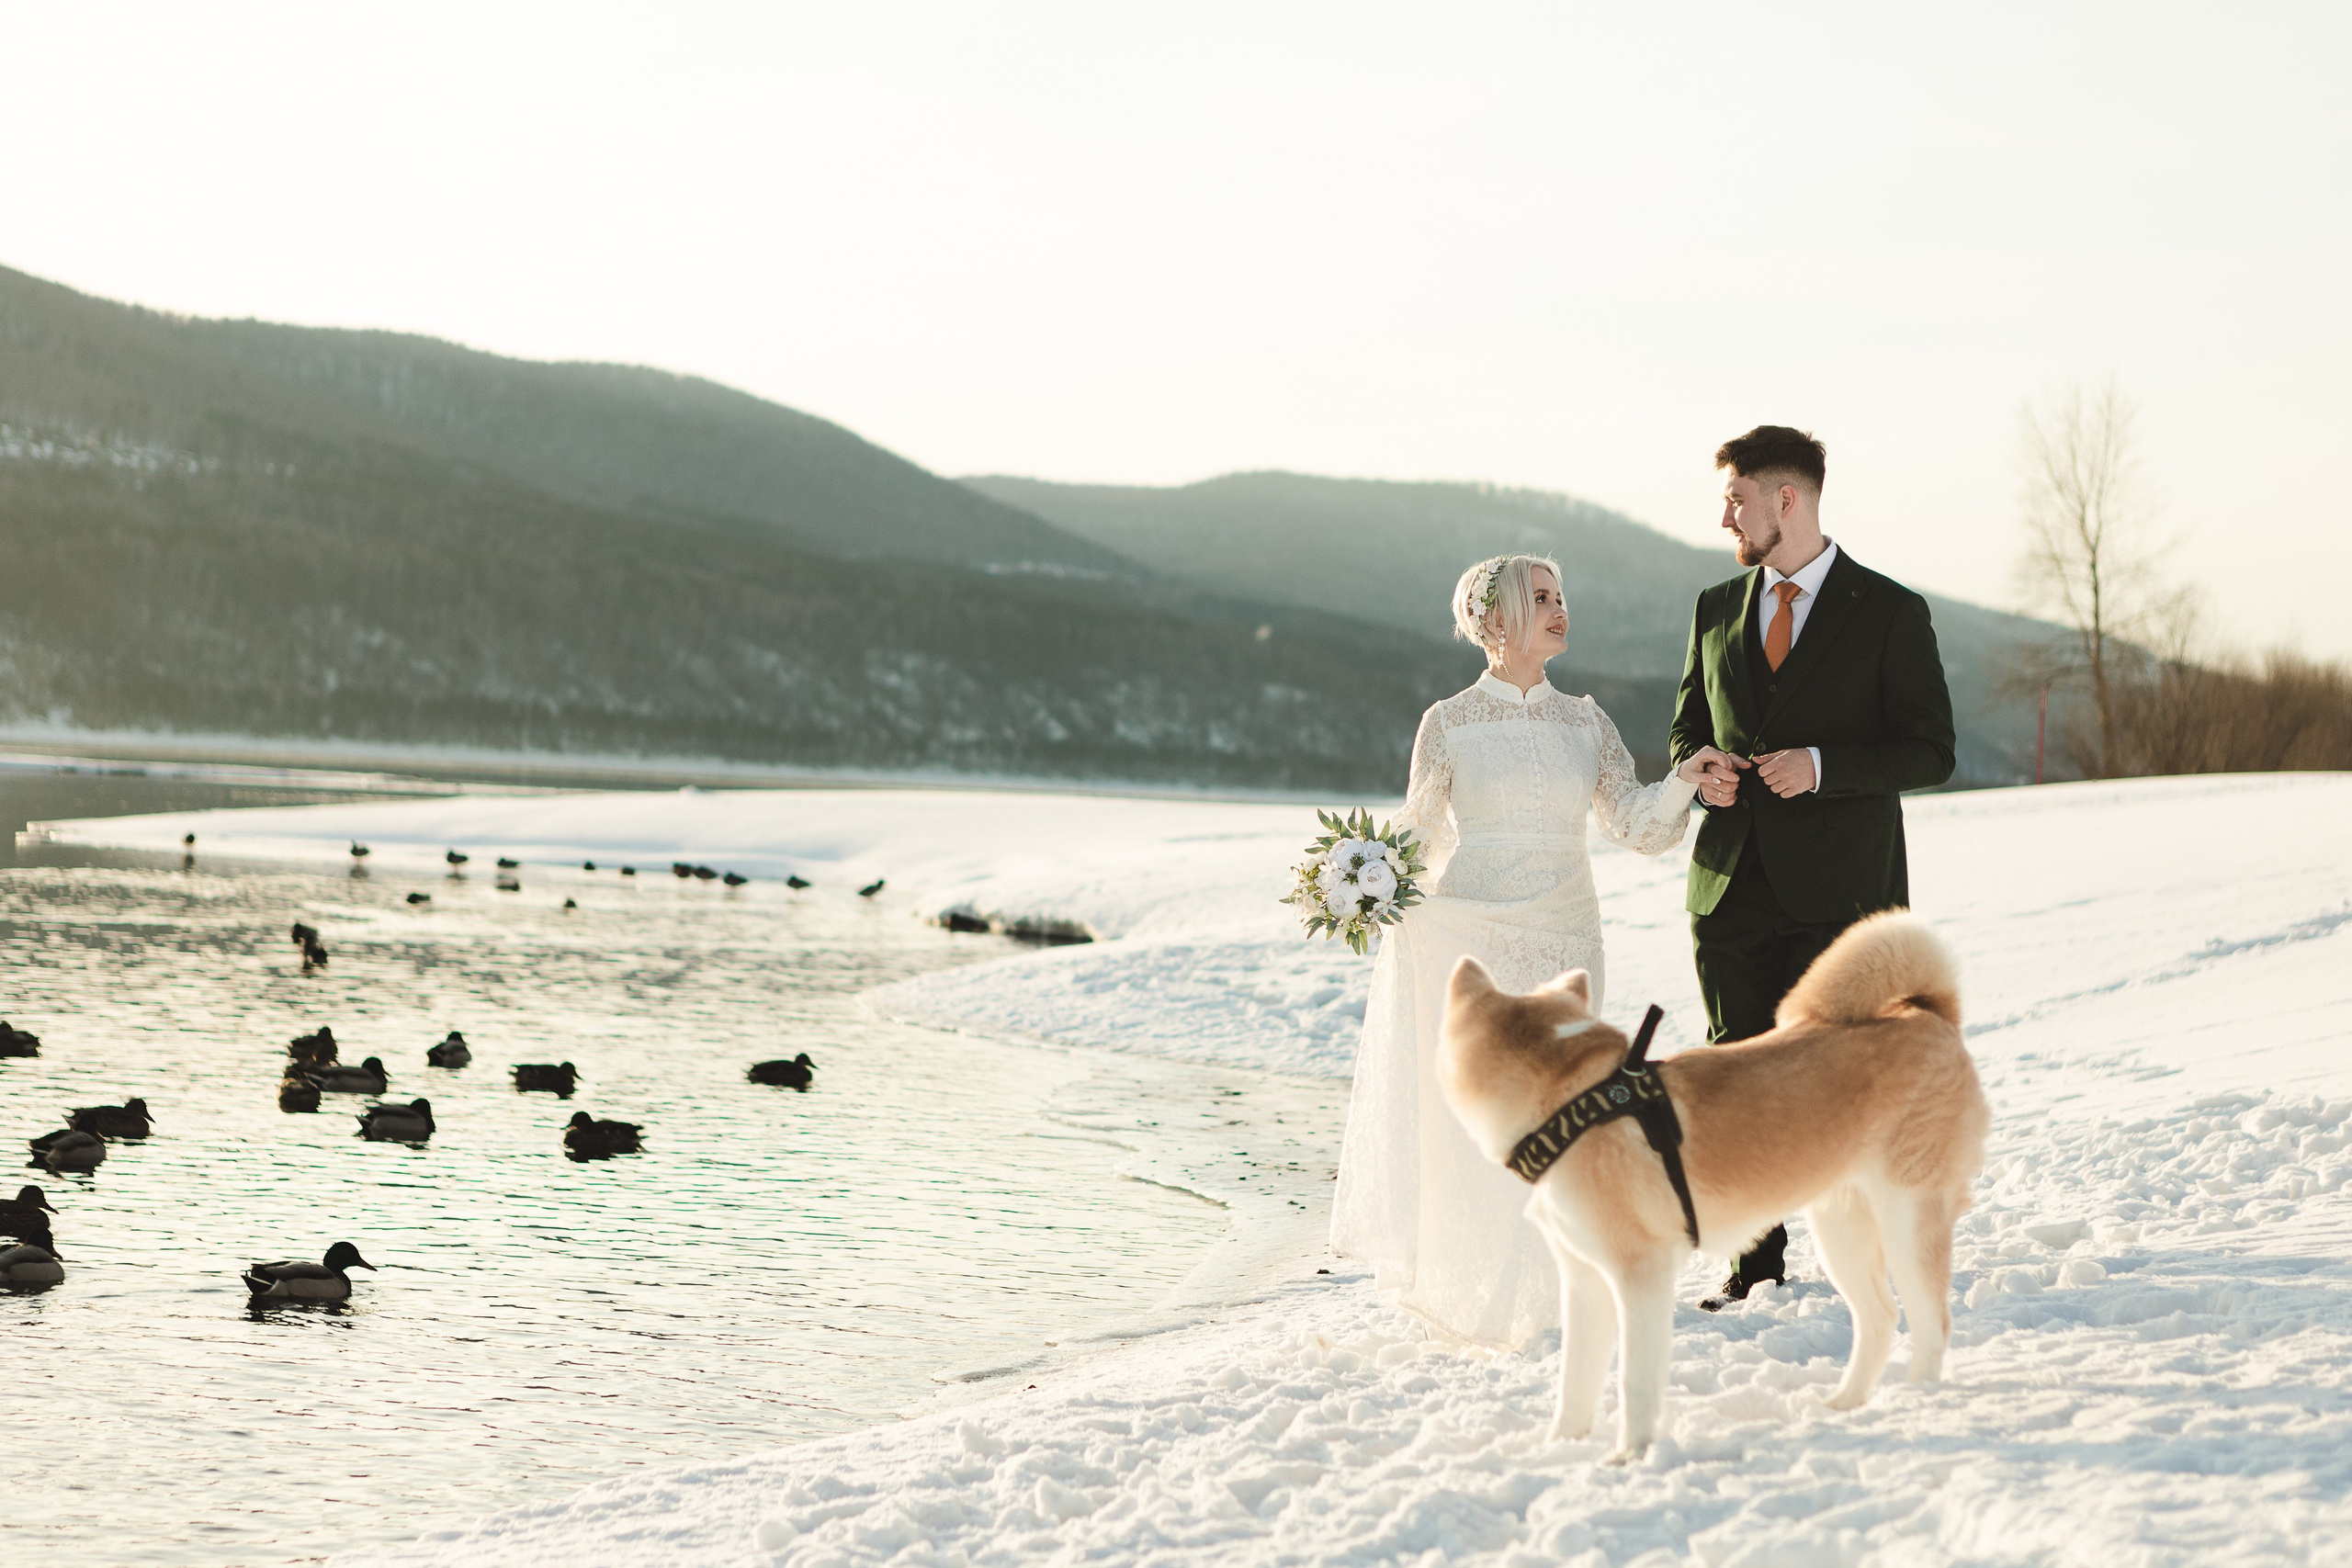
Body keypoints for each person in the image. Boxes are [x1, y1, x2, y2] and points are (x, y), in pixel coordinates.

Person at [1332, 553, 1743, 1346]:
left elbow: (1635, 823)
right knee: (1483, 1115)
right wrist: (1365, 878)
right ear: (1495, 619)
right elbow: (1421, 834)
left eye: (1561, 596)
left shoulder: (1586, 721)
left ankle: (1558, 1296)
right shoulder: (1448, 722)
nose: (1560, 609)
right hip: (1474, 936)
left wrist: (1683, 780)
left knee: (1567, 1109)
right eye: (1542, 598)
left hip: (1566, 935)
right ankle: (1477, 1291)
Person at [1669, 425, 1957, 1309]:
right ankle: (1753, 1264)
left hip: (1843, 894)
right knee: (1734, 1075)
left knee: (1843, 1081)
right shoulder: (1714, 606)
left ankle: (1869, 1255)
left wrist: (1824, 767)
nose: (1726, 517)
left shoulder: (1890, 611)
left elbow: (1932, 751)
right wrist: (1700, 768)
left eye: (1737, 499)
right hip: (1729, 885)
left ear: (1785, 499)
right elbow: (1686, 727)